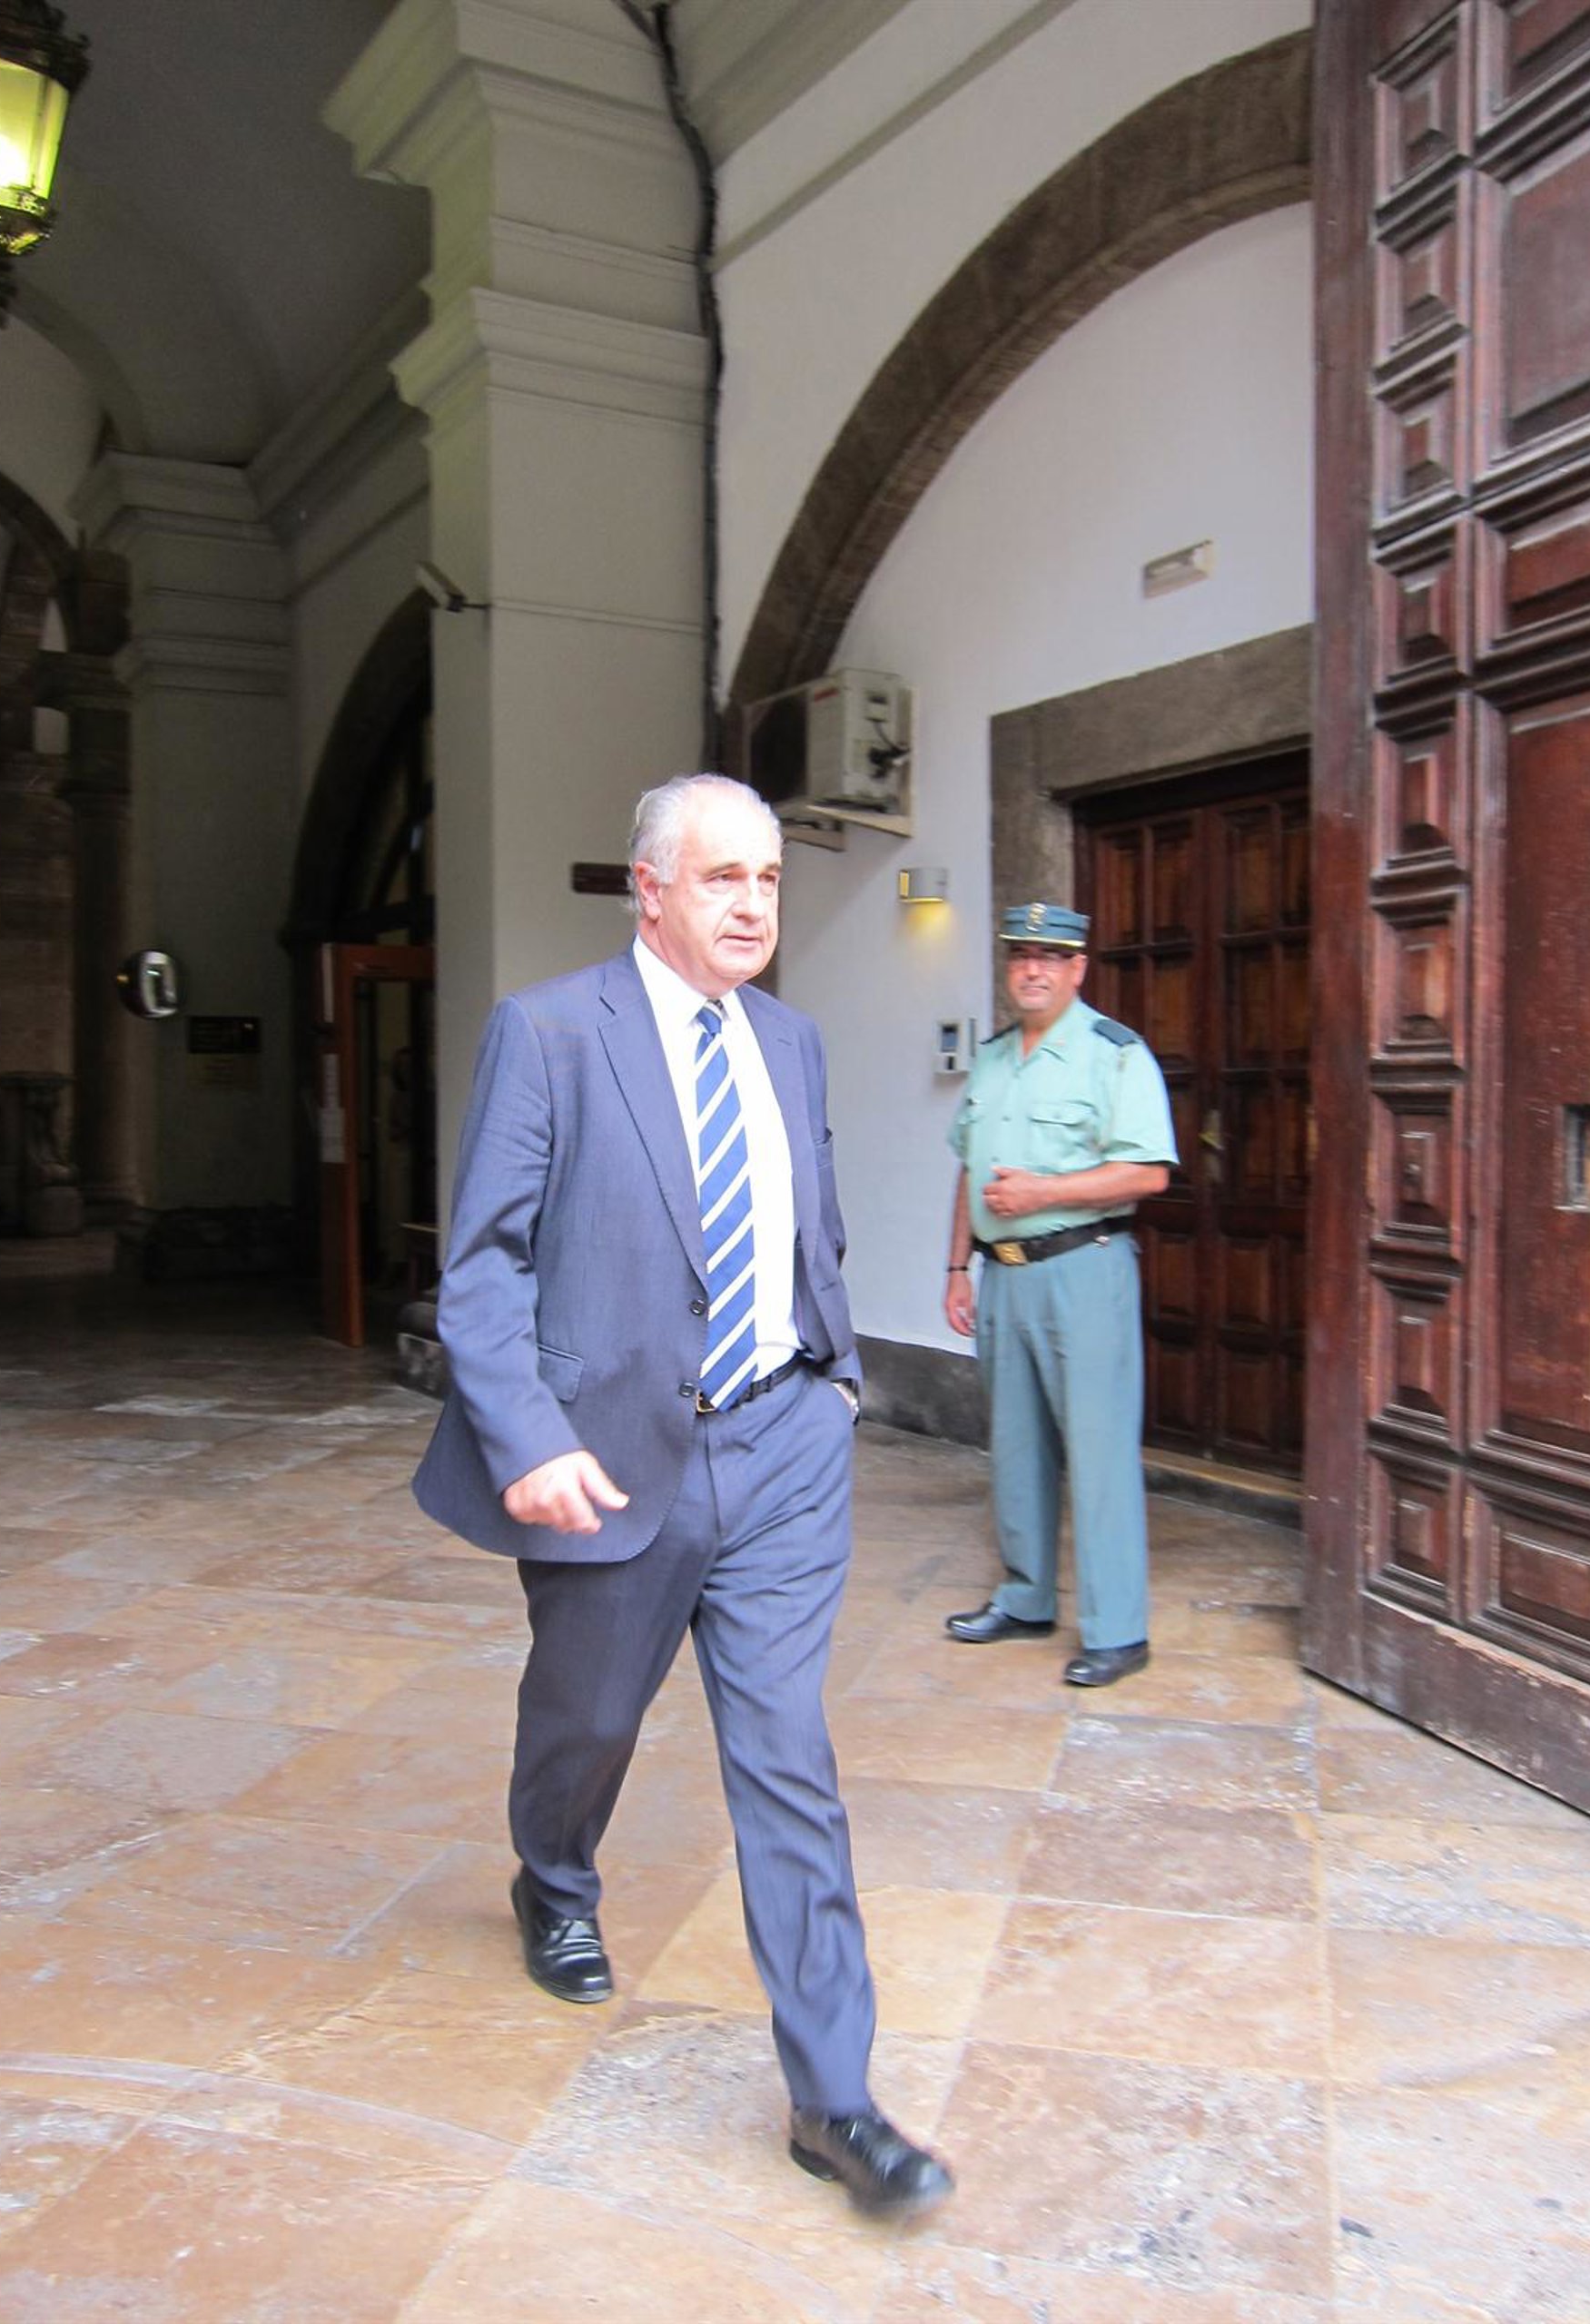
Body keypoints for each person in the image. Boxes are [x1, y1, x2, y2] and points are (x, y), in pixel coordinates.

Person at [414, 773, 953, 2219]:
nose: (754, 906)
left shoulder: (792, 1042)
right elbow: (484, 1264)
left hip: (782, 1450)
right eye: (723, 878)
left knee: (788, 1761)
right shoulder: (549, 1033)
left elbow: (809, 1226)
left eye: (769, 879)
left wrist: (837, 1385)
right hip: (605, 1461)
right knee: (588, 1718)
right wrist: (527, 1436)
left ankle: (835, 2102)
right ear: (648, 890)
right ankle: (552, 1878)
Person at [942, 901, 1177, 1686]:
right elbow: (968, 1168)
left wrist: (1043, 1193)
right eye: (1020, 956)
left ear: (1078, 968)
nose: (1032, 969)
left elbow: (1148, 1172)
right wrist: (955, 1268)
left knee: (1099, 1452)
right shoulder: (993, 1058)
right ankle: (1025, 1597)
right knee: (1015, 1446)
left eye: (1049, 956)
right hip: (1002, 1276)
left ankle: (1117, 1630)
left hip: (1085, 1270)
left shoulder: (1115, 1055)